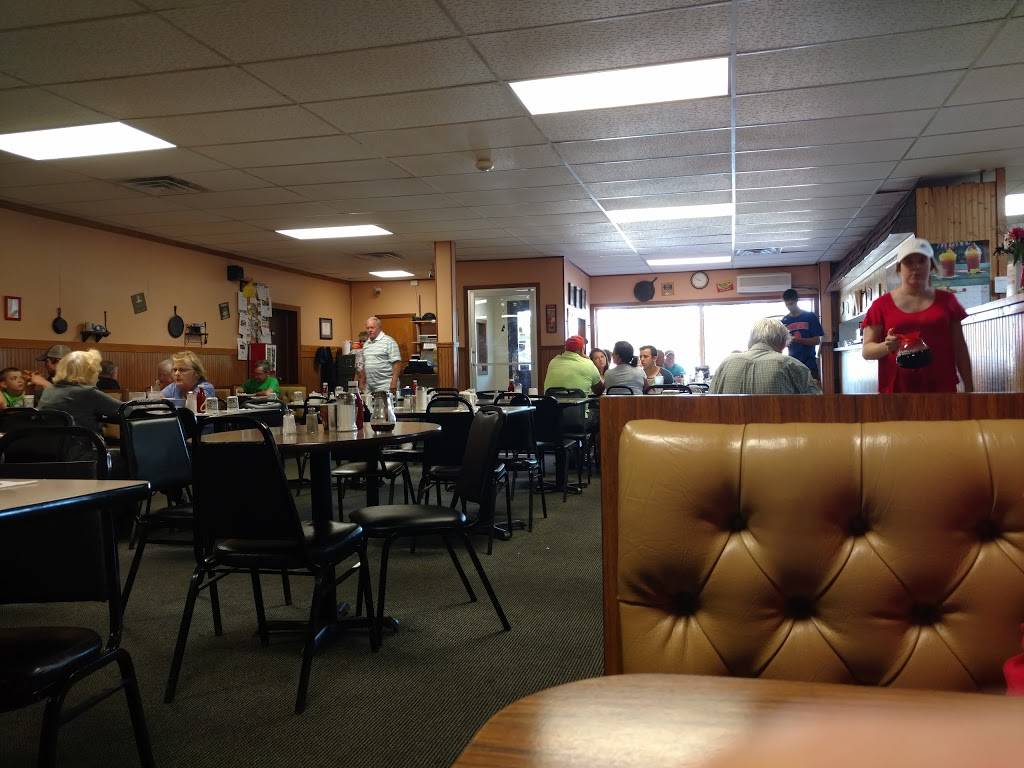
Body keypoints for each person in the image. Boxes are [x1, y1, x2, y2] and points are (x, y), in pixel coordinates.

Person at [861, 237, 973, 393]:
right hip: (896, 393)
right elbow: (867, 351)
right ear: (899, 268)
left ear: (931, 265)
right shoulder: (880, 306)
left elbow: (960, 348)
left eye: (922, 261)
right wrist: (886, 346)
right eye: (909, 262)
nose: (916, 267)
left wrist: (970, 388)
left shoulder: (947, 301)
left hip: (942, 390)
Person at [711, 318, 821, 395]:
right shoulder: (791, 365)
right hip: (777, 422)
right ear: (783, 343)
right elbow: (817, 404)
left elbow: (709, 400)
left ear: (751, 340)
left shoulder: (726, 363)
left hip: (731, 423)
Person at [38, 350, 121, 434]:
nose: (98, 376)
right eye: (96, 371)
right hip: (81, 441)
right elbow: (125, 410)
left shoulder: (48, 391)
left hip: (50, 441)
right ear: (88, 372)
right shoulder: (87, 392)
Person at [780, 288, 824, 379]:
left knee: (813, 387)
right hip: (793, 364)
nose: (789, 307)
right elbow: (783, 343)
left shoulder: (810, 316)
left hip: (810, 364)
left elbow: (816, 341)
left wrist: (797, 340)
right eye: (787, 304)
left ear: (796, 300)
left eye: (791, 304)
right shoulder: (785, 320)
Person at [361, 316, 402, 394]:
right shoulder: (366, 344)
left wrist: (394, 382)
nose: (369, 330)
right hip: (369, 387)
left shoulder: (389, 341)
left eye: (372, 328)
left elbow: (397, 363)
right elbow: (364, 364)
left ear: (379, 328)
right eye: (367, 328)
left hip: (386, 385)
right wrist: (362, 381)